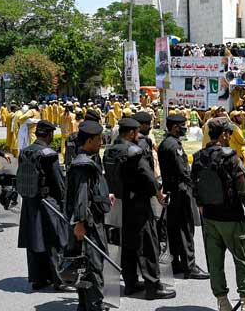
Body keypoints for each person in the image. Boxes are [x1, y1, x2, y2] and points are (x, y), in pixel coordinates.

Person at [193, 118, 245, 311]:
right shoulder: (231, 157)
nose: (230, 136)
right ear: (223, 134)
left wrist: (201, 206)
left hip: (210, 219)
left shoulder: (198, 156)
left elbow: (194, 186)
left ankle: (222, 301)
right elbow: (242, 189)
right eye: (229, 133)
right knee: (243, 259)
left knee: (214, 262)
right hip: (232, 218)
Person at [108, 117, 174, 299]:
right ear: (130, 133)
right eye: (136, 133)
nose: (138, 136)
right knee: (147, 244)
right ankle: (153, 286)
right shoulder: (134, 151)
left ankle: (131, 284)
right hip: (139, 204)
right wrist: (159, 195)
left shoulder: (110, 150)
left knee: (127, 245)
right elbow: (148, 177)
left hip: (120, 205)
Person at [65, 120, 112, 310]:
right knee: (93, 266)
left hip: (89, 220)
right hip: (88, 224)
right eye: (99, 139)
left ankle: (86, 305)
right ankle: (94, 305)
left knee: (85, 265)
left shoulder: (85, 160)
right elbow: (81, 198)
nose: (101, 142)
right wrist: (80, 223)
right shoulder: (83, 165)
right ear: (90, 141)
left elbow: (91, 192)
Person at [17, 120, 68, 291]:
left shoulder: (25, 151)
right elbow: (58, 182)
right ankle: (59, 279)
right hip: (48, 202)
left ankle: (38, 278)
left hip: (30, 201)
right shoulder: (49, 154)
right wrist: (64, 202)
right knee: (55, 240)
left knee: (34, 240)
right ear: (49, 135)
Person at [157, 114, 209, 280]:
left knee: (173, 228)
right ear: (174, 127)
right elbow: (183, 170)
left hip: (170, 190)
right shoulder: (174, 146)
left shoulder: (165, 143)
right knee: (185, 228)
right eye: (182, 125)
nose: (185, 127)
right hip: (180, 190)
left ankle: (176, 263)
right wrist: (195, 187)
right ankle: (190, 266)